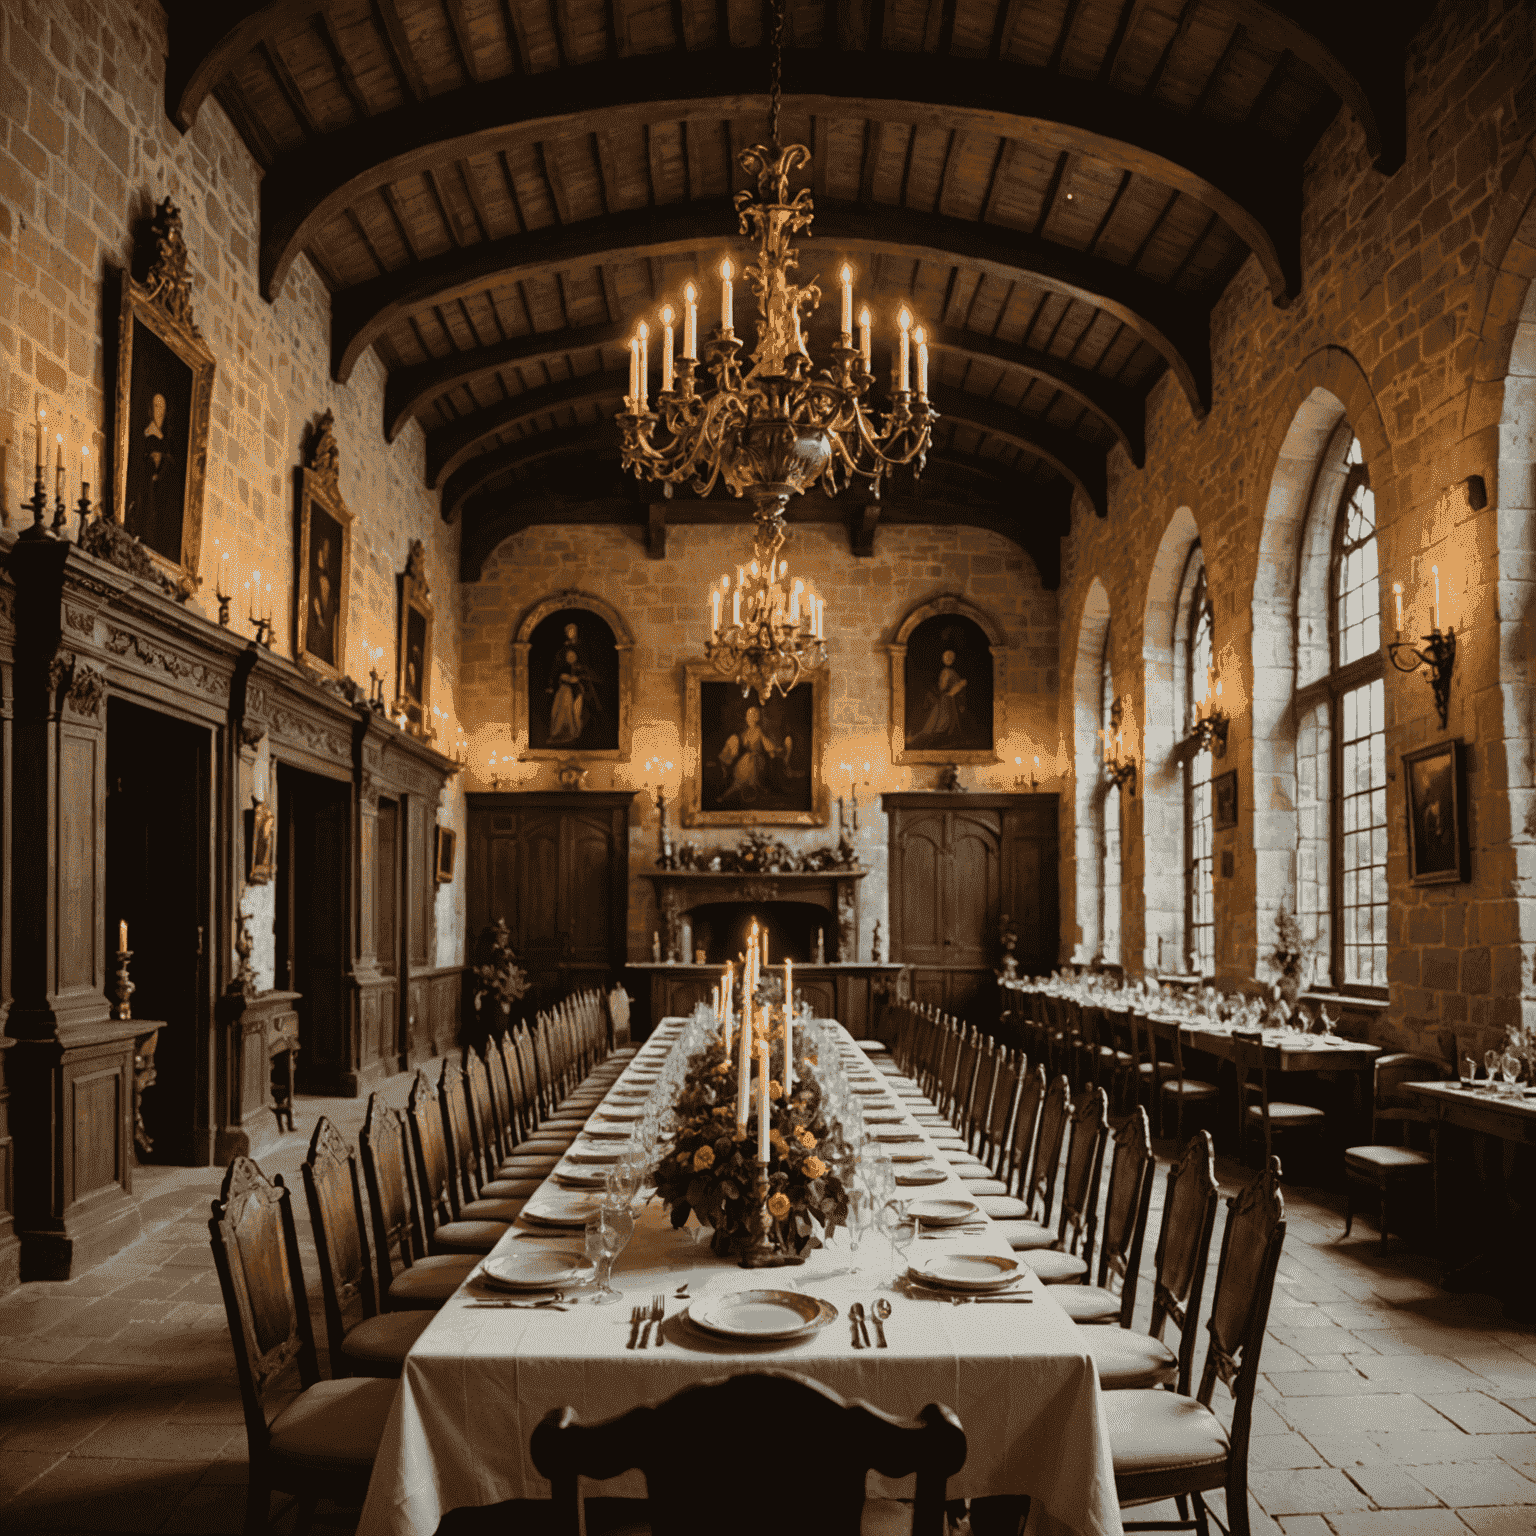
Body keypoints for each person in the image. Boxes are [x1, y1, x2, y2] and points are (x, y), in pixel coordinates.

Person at [126, 391, 183, 562]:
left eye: (163, 408)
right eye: (156, 406)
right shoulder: (144, 434)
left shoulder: (165, 441)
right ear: (150, 410)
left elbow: (168, 471)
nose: (160, 412)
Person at [717, 705, 791, 804]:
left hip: (757, 759)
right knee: (739, 779)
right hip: (746, 758)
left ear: (756, 718)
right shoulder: (746, 732)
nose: (748, 718)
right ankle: (729, 792)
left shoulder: (758, 730)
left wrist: (774, 749)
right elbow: (742, 744)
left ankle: (752, 789)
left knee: (753, 770)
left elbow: (765, 743)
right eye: (748, 715)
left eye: (751, 715)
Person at [546, 622, 603, 745]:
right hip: (565, 687)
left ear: (576, 632)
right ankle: (559, 733)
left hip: (580, 687)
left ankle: (576, 734)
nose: (570, 633)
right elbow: (556, 668)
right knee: (559, 709)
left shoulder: (583, 648)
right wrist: (555, 681)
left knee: (577, 712)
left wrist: (579, 677)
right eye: (567, 631)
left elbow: (588, 669)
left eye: (572, 631)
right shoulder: (563, 649)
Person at [909, 648, 968, 746]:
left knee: (940, 721)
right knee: (934, 719)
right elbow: (945, 687)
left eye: (950, 657)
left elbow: (945, 687)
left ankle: (938, 734)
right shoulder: (949, 672)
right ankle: (918, 737)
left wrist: (957, 687)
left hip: (949, 699)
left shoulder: (948, 672)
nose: (948, 659)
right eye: (946, 657)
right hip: (948, 699)